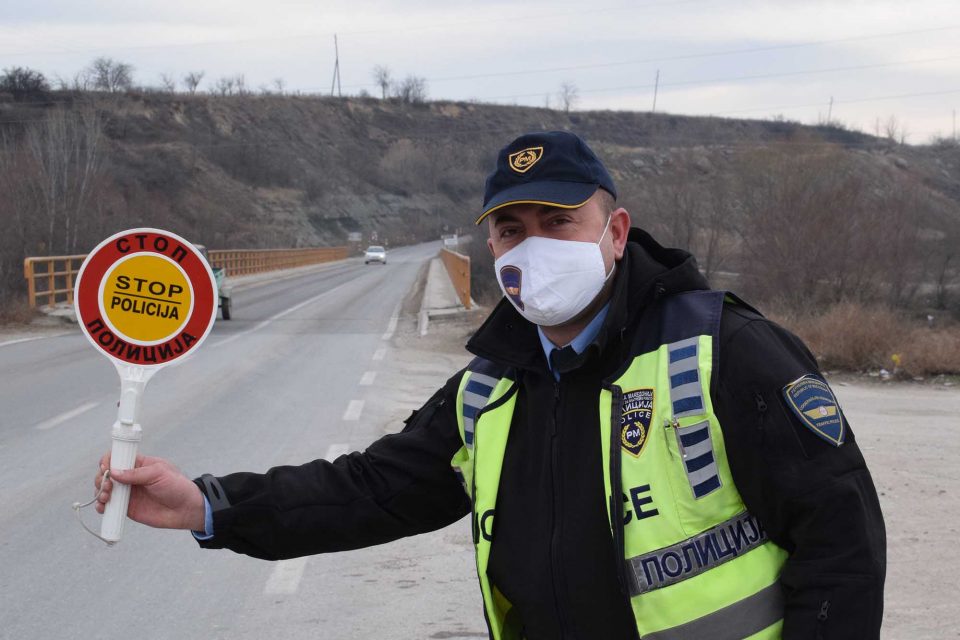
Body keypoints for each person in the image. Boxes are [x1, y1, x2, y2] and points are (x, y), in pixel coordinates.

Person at [95, 131, 886, 639]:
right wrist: (210, 507)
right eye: (511, 229)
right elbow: (370, 490)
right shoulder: (491, 387)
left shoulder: (724, 350)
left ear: (614, 233)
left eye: (558, 222)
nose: (531, 246)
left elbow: (841, 544)